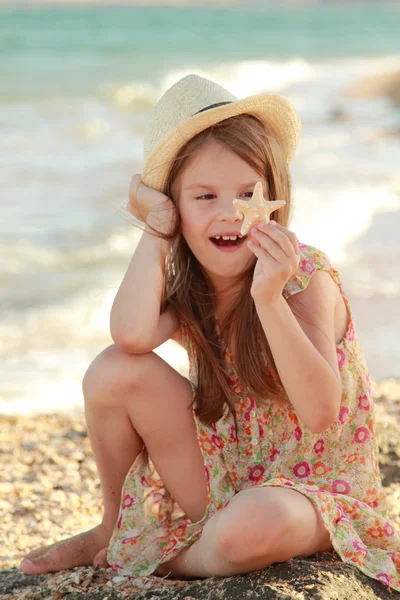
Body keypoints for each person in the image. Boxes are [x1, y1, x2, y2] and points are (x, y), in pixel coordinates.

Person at [19, 74, 400, 590]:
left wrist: (268, 296)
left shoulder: (305, 277)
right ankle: (114, 528)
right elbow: (129, 337)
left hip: (310, 494)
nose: (229, 213)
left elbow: (319, 411)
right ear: (175, 205)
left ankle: (162, 558)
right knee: (113, 370)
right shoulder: (194, 287)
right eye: (204, 197)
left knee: (254, 522)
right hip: (226, 476)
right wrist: (156, 229)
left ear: (275, 197)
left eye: (247, 193)